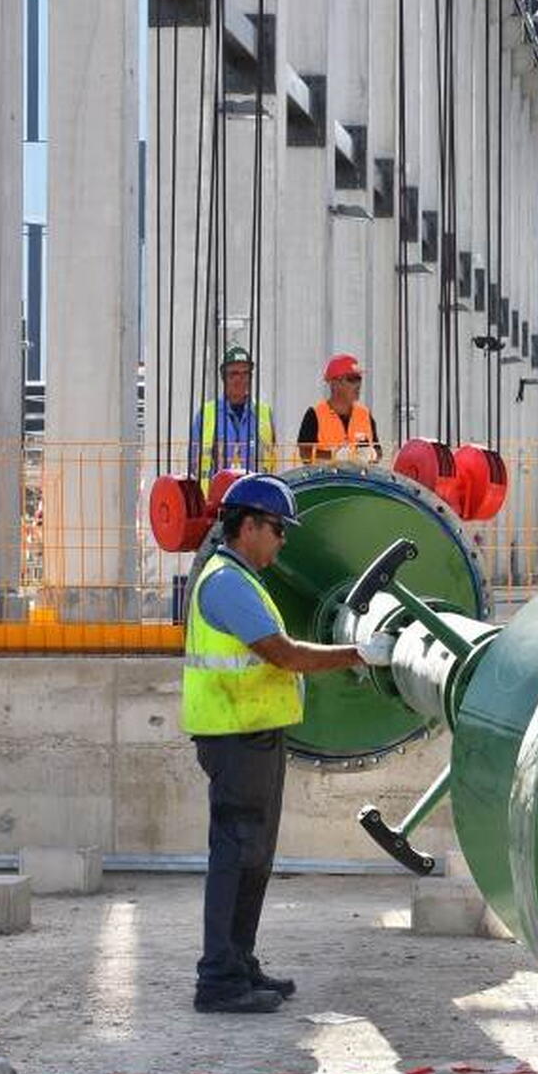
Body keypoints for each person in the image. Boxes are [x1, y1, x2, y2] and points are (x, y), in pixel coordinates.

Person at [182, 473, 394, 1013]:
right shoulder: (227, 582)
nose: (282, 540)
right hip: (235, 735)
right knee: (236, 854)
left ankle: (239, 963)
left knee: (253, 856)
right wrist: (359, 654)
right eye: (277, 529)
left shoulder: (243, 578)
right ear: (247, 526)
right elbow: (283, 653)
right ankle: (219, 980)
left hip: (252, 732)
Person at [189, 345, 276, 476]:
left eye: (245, 373)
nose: (239, 379)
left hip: (255, 493)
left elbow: (272, 457)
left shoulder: (264, 414)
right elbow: (193, 462)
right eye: (233, 374)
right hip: (215, 494)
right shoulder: (206, 414)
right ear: (223, 378)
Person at [297, 353, 381, 463]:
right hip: (326, 479)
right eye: (352, 379)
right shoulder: (315, 414)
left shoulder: (364, 414)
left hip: (359, 479)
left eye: (359, 379)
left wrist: (372, 454)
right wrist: (334, 456)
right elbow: (305, 453)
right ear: (334, 383)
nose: (358, 385)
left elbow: (378, 450)